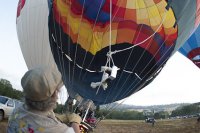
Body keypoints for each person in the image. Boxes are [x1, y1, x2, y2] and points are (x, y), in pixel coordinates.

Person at [7, 67, 81, 133]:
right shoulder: (59, 130)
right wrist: (75, 122)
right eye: (57, 91)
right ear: (53, 95)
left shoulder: (16, 110)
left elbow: (36, 115)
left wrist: (56, 117)